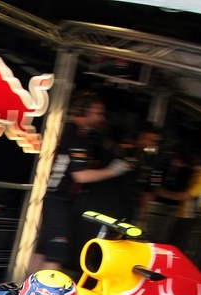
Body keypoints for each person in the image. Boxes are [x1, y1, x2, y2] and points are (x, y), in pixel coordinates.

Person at [31, 91, 129, 275]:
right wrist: (114, 170)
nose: (101, 117)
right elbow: (80, 176)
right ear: (83, 111)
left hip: (49, 196)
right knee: (56, 252)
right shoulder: (76, 137)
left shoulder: (68, 131)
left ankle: (24, 290)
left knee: (43, 249)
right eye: (98, 112)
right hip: (56, 198)